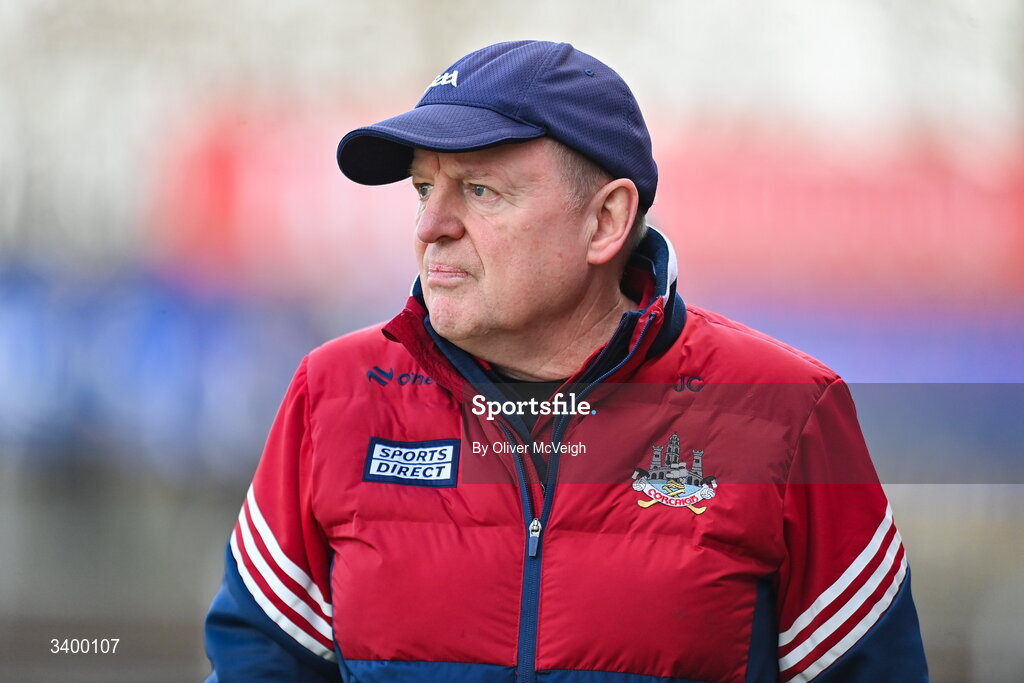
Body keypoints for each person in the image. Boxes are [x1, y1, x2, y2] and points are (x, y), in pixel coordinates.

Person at [204, 40, 929, 682]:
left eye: (479, 189)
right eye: (424, 188)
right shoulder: (334, 395)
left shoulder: (788, 409)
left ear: (606, 220)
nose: (429, 227)